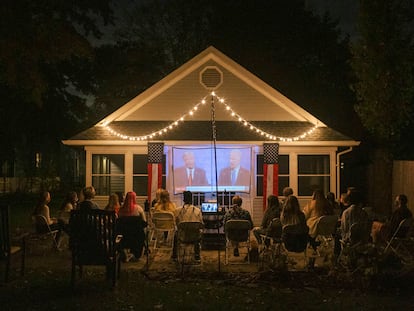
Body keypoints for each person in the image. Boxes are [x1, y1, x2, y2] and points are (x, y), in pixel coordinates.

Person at [171, 191, 204, 261]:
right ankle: (197, 255)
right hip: (195, 237)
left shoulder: (177, 211)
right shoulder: (198, 211)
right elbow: (201, 224)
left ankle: (174, 255)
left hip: (182, 237)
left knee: (175, 234)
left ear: (183, 199)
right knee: (198, 232)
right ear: (192, 199)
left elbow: (175, 223)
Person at [117, 191, 147, 261]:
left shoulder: (121, 210)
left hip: (124, 236)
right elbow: (144, 222)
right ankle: (134, 254)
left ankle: (126, 253)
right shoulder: (138, 209)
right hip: (136, 236)